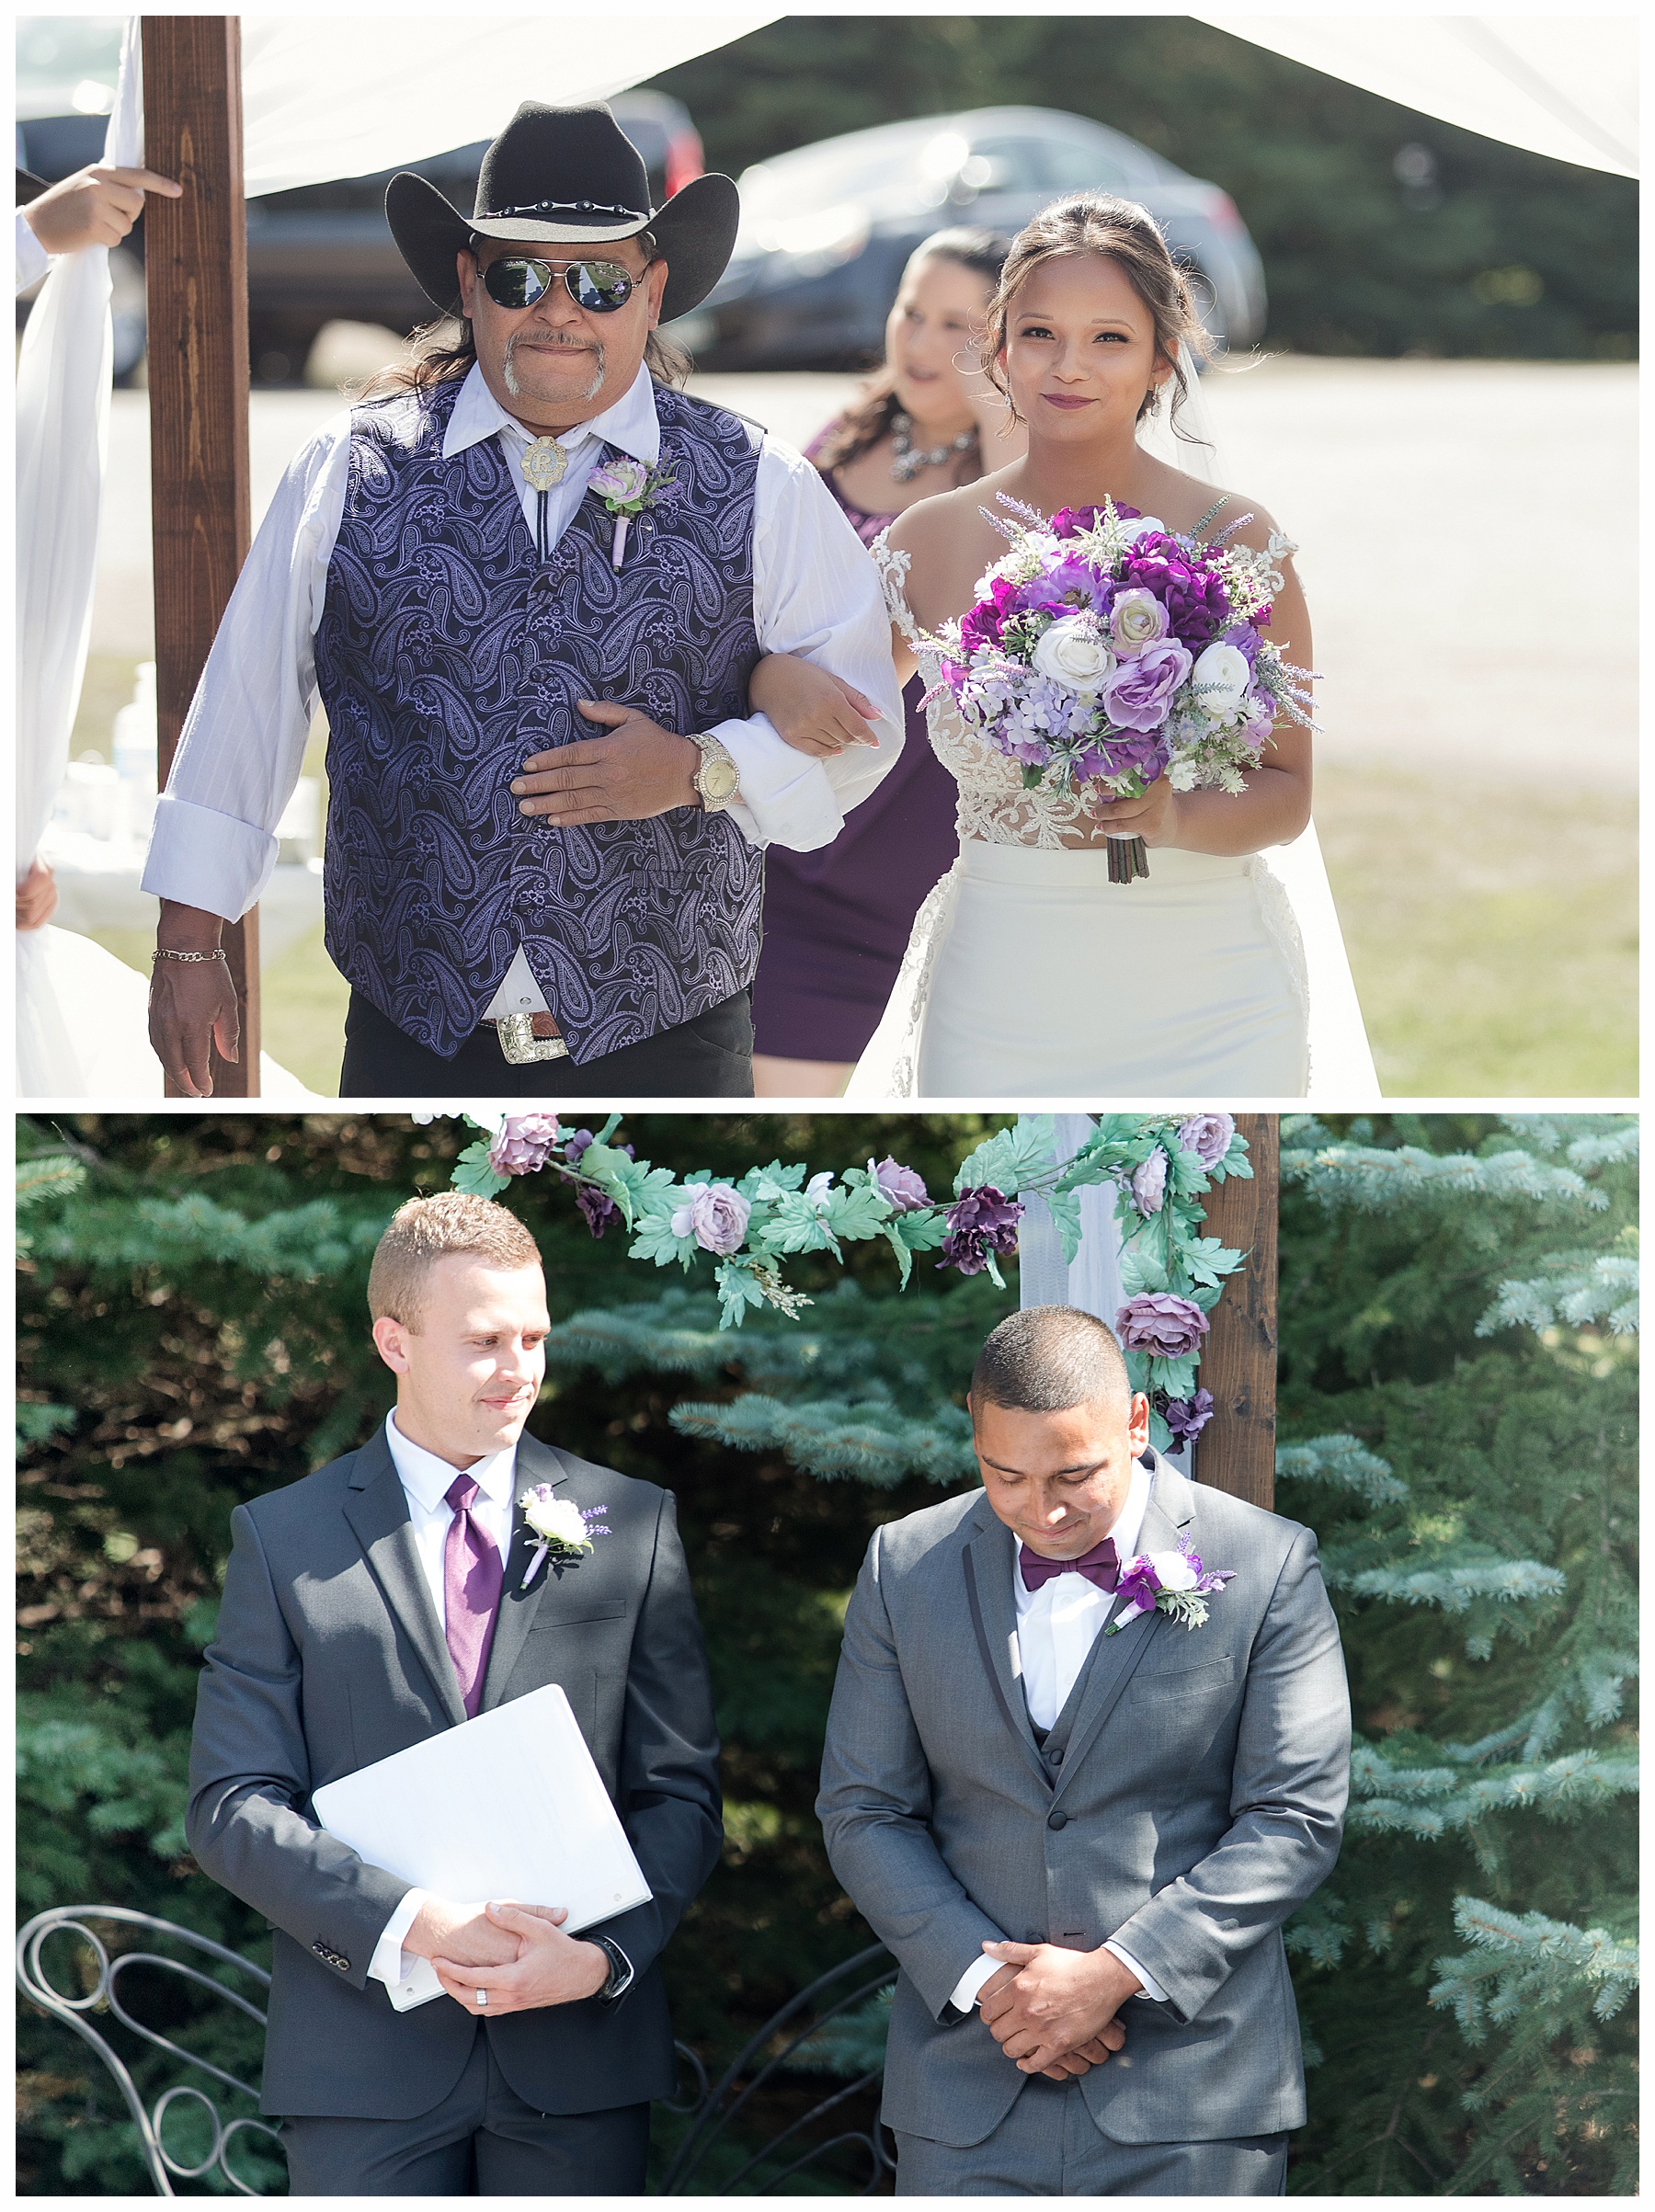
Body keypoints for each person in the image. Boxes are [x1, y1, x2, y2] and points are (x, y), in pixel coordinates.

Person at [141, 101, 904, 1100]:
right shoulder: (348, 468)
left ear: (652, 290)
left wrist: (700, 768)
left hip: (669, 1032)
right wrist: (191, 943)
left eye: (596, 280)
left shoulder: (758, 478)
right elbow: (245, 709)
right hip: (411, 1025)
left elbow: (864, 723)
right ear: (469, 284)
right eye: (518, 275)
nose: (558, 310)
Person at [755, 193, 1360, 1096]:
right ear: (999, 350)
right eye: (1040, 333)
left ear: (1164, 357)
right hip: (1004, 986)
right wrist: (769, 679)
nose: (1068, 365)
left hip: (1212, 997)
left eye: (1109, 338)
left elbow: (1287, 792)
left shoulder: (1236, 544)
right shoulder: (931, 537)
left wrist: (1173, 817)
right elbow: (834, 712)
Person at [187, 1192, 722, 2195]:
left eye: (534, 1337)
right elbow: (231, 1807)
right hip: (363, 2065)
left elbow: (680, 1797)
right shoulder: (284, 1537)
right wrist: (416, 1925)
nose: (519, 1370)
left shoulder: (631, 1523)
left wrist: (602, 1959)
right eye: (484, 1341)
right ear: (395, 1339)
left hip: (578, 2058)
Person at [816, 1305, 1350, 2196]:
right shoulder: (904, 1566)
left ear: (1136, 1426)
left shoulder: (1265, 1563)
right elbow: (864, 1811)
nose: (1044, 1510)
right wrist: (992, 1986)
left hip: (1194, 2097)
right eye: (1006, 1476)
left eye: (1075, 1474)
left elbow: (1295, 1817)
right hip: (967, 2091)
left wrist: (1115, 1975)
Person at [750, 227, 1014, 1097]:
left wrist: (1002, 412)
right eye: (912, 311)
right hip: (778, 818)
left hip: (897, 852)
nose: (922, 342)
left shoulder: (1012, 485)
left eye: (960, 328)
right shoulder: (843, 435)